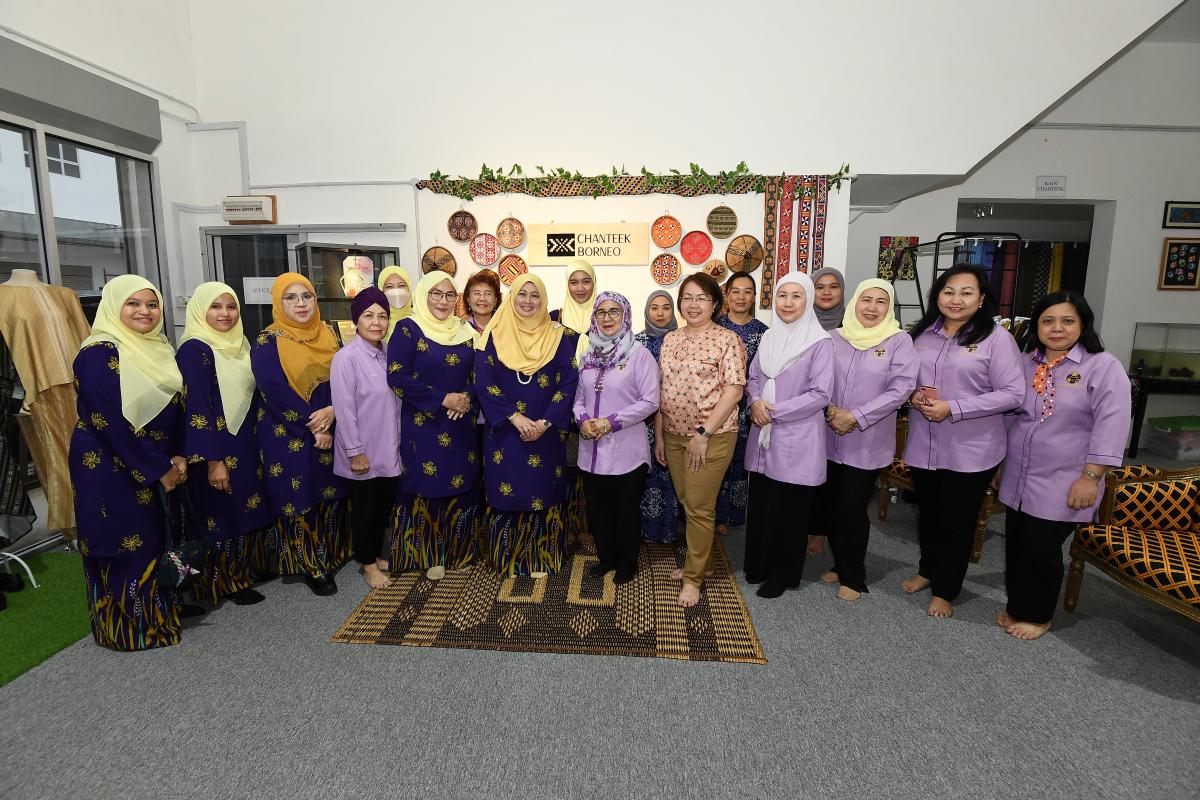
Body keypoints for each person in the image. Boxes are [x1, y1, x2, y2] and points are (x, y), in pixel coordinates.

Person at [997, 291, 1130, 640]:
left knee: (1042, 548)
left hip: (1067, 478)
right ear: (1036, 326)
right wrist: (999, 466)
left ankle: (1038, 615)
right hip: (1019, 473)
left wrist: (1091, 478)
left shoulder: (1103, 367)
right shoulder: (1024, 363)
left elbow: (1112, 426)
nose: (1057, 328)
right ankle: (1018, 606)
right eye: (1048, 321)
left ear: (1083, 325)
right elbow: (1009, 416)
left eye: (1067, 321)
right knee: (1017, 544)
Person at [70, 275, 187, 650]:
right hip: (109, 464)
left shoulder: (158, 346)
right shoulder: (98, 353)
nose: (144, 311)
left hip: (154, 459)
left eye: (152, 304)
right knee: (123, 541)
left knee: (154, 536)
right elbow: (111, 421)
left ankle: (158, 616)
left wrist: (177, 453)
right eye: (132, 303)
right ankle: (130, 631)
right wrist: (159, 467)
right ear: (112, 307)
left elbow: (175, 407)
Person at [902, 264, 1025, 618]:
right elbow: (904, 378)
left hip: (972, 449)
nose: (956, 299)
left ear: (982, 298)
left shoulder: (996, 339)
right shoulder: (921, 335)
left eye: (966, 293)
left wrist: (953, 408)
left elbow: (1013, 393)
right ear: (937, 296)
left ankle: (946, 589)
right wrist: (912, 395)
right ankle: (928, 570)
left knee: (957, 520)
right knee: (928, 513)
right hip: (924, 443)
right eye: (949, 292)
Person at [816, 279, 917, 601]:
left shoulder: (899, 341)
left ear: (889, 307)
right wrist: (832, 411)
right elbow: (818, 379)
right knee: (831, 506)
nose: (872, 307)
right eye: (866, 299)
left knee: (853, 508)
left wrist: (856, 416)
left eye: (880, 301)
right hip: (829, 436)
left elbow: (901, 389)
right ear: (855, 302)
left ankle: (853, 577)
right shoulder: (834, 337)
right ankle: (840, 563)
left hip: (866, 440)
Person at [475, 274, 580, 576]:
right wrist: (516, 417)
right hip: (505, 432)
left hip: (546, 433)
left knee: (543, 491)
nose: (528, 301)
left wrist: (545, 422)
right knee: (507, 492)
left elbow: (568, 381)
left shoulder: (559, 336)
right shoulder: (493, 335)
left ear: (544, 300)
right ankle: (508, 559)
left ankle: (541, 559)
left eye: (535, 295)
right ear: (511, 297)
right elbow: (484, 382)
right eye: (522, 294)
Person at [250, 273, 349, 596]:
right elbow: (274, 391)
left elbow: (346, 378)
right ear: (278, 303)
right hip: (289, 431)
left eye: (306, 296)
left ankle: (333, 553)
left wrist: (333, 412)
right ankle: (310, 563)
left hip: (333, 421)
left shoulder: (329, 333)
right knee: (300, 495)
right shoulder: (267, 342)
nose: (300, 304)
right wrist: (316, 426)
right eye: (290, 298)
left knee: (331, 492)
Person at [177, 282, 274, 607]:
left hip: (244, 440)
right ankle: (224, 582)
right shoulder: (195, 349)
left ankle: (245, 571)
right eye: (215, 307)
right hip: (216, 444)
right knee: (220, 513)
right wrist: (213, 461)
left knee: (245, 505)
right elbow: (197, 408)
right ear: (199, 311)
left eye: (231, 307)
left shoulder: (240, 344)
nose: (225, 314)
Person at [657, 272, 746, 607]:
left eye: (702, 299)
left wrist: (703, 433)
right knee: (687, 500)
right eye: (687, 298)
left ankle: (693, 578)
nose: (693, 305)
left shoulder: (727, 340)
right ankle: (703, 562)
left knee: (698, 507)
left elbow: (734, 391)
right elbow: (662, 389)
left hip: (712, 436)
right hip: (673, 434)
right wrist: (660, 436)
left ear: (715, 304)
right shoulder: (670, 339)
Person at [742, 273, 834, 598]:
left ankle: (783, 574)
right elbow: (753, 377)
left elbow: (821, 394)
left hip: (797, 436)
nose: (788, 303)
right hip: (764, 433)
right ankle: (758, 565)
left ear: (808, 301)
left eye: (797, 296)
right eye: (782, 296)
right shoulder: (769, 337)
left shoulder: (820, 343)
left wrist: (773, 411)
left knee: (790, 510)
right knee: (763, 504)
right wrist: (755, 402)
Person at [387, 271, 481, 580]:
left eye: (449, 294)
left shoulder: (466, 331)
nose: (443, 300)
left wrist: (465, 398)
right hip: (423, 423)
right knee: (427, 484)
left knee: (462, 484)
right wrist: (443, 399)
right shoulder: (408, 329)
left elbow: (480, 377)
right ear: (424, 294)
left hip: (460, 422)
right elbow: (397, 376)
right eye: (436, 293)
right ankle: (430, 555)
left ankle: (460, 551)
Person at [574, 292, 660, 584]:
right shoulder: (589, 355)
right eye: (601, 312)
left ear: (625, 316)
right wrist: (582, 419)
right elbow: (578, 397)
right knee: (598, 510)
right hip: (591, 449)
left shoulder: (639, 354)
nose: (607, 318)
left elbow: (650, 401)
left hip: (626, 450)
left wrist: (610, 422)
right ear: (594, 317)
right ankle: (606, 558)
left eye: (614, 312)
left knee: (625, 511)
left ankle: (627, 562)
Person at [330, 287, 403, 590]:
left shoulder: (388, 355)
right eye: (368, 316)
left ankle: (374, 554)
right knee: (364, 510)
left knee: (382, 506)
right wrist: (355, 451)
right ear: (356, 320)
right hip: (363, 450)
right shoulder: (346, 358)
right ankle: (367, 564)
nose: (376, 322)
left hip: (389, 446)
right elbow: (344, 409)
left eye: (382, 316)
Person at [715, 272, 768, 536]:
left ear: (754, 296)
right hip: (718, 405)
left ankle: (735, 514)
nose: (741, 297)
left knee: (741, 461)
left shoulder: (764, 332)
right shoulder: (715, 327)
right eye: (735, 291)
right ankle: (716, 514)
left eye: (747, 292)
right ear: (727, 295)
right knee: (718, 461)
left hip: (750, 407)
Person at [633, 290, 681, 543]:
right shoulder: (635, 342)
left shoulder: (681, 340)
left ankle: (668, 528)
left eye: (666, 307)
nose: (660, 313)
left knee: (671, 472)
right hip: (642, 420)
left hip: (674, 417)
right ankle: (646, 529)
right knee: (646, 472)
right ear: (646, 311)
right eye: (654, 307)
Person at [806, 266, 847, 556]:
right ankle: (809, 525)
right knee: (807, 473)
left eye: (833, 286)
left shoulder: (852, 325)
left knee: (833, 476)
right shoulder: (801, 322)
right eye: (819, 287)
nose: (826, 292)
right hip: (806, 409)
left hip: (839, 411)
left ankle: (822, 530)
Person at [464, 269, 501, 344]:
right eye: (477, 293)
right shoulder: (460, 329)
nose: (482, 299)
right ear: (468, 299)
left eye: (488, 293)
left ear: (495, 300)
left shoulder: (504, 329)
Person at [377, 266, 414, 341]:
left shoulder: (421, 320)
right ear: (382, 291)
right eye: (389, 286)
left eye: (401, 285)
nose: (396, 291)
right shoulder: (376, 324)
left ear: (409, 289)